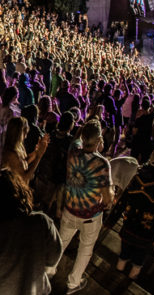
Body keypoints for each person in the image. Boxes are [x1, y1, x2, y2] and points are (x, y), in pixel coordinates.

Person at [58, 120, 112, 294]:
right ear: (98, 140)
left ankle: (47, 270)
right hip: (90, 216)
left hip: (69, 209)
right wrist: (109, 197)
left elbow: (78, 139)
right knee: (85, 249)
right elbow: (106, 198)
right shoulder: (102, 164)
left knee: (60, 243)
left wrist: (87, 130)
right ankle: (73, 283)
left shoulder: (73, 152)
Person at [114, 148, 154, 279]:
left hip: (130, 222)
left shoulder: (137, 177)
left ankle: (120, 266)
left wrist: (112, 218)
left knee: (125, 247)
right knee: (140, 253)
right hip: (147, 228)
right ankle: (133, 273)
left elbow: (123, 199)